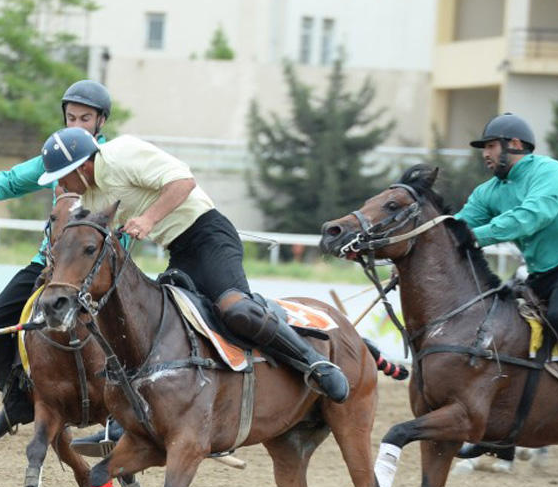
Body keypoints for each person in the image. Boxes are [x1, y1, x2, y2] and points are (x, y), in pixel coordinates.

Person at [37, 127, 351, 427]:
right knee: (156, 327)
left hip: (210, 237)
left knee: (235, 309)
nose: (60, 185)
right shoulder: (90, 197)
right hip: (180, 251)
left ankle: (314, 363)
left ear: (82, 166)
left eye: (61, 177)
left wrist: (148, 219)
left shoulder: (122, 153)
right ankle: (129, 420)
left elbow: (182, 182)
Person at [0, 79, 114, 443]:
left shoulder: (114, 161)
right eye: (70, 117)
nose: (76, 125)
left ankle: (125, 416)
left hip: (102, 266)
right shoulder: (60, 152)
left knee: (130, 334)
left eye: (85, 118)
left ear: (101, 123)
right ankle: (16, 403)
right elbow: (14, 179)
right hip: (50, 263)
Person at [457, 112, 558, 376]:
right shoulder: (488, 191)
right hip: (538, 276)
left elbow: (530, 218)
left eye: (490, 145)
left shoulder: (550, 171)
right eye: (484, 148)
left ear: (516, 145)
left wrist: (472, 238)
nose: (485, 153)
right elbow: (455, 227)